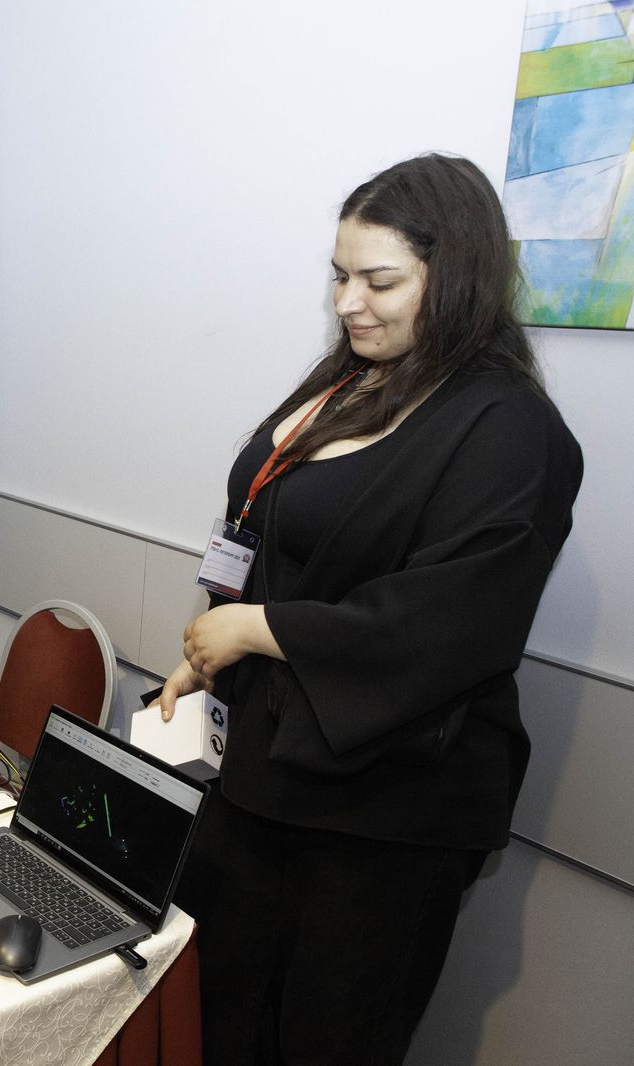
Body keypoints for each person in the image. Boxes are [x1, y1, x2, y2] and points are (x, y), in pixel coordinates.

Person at [159, 154, 583, 1065]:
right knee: (222, 1016)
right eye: (340, 276)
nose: (350, 302)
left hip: (386, 809)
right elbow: (262, 525)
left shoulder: (509, 427)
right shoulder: (351, 382)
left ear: (456, 275)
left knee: (328, 1039)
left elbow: (449, 619)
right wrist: (208, 646)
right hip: (263, 770)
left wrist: (254, 629)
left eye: (379, 281)